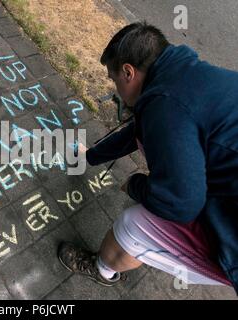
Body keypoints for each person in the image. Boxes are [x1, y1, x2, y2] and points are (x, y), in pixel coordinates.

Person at [58, 21, 238, 293]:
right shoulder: (182, 76)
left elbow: (181, 203)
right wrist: (91, 157)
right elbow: (141, 130)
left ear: (128, 72)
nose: (115, 89)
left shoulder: (166, 106)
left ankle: (102, 269)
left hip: (233, 234)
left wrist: (136, 185)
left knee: (132, 226)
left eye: (113, 79)